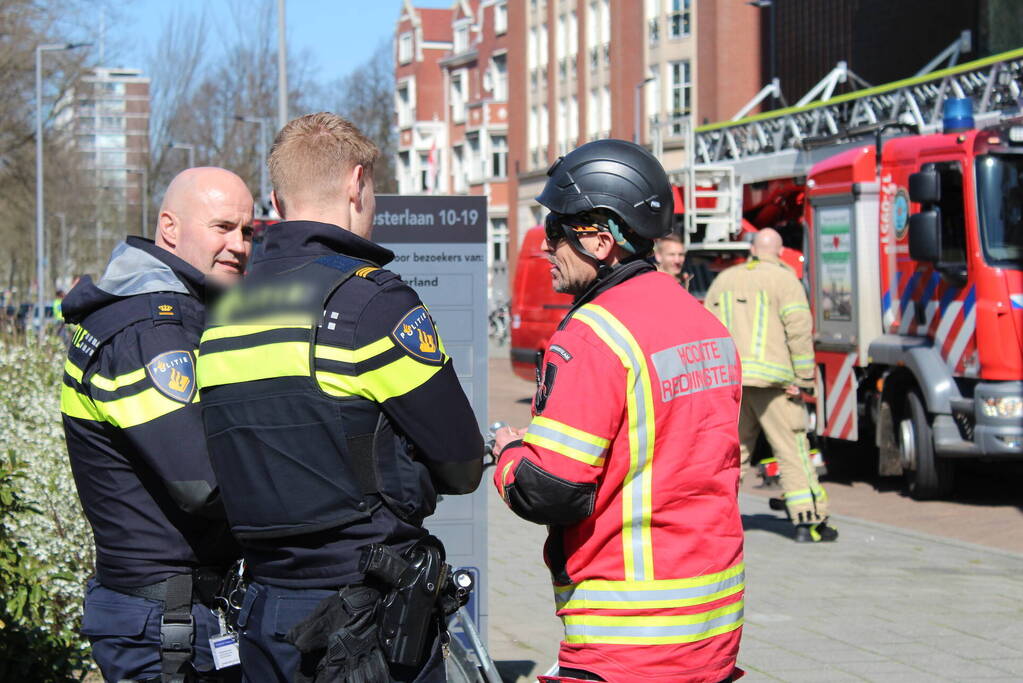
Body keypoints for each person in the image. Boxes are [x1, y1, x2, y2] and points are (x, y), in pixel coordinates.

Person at [194, 112, 484, 683]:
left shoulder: (222, 316)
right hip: (364, 624)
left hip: (263, 613)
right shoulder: (373, 305)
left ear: (276, 200)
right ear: (356, 183)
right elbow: (462, 464)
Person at [492, 139, 745, 683]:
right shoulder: (706, 325)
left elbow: (551, 490)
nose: (546, 245)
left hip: (630, 634)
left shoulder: (594, 335)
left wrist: (510, 454)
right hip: (713, 624)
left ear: (601, 241)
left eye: (557, 229)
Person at [60, 167, 255, 682]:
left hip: (173, 613)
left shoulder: (173, 315)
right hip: (165, 624)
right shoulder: (151, 331)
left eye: (247, 231)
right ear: (170, 227)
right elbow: (203, 483)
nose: (239, 245)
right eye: (222, 227)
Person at [704, 227, 837, 543]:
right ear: (779, 251)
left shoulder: (724, 280)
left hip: (733, 384)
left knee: (732, 456)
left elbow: (707, 329)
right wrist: (804, 380)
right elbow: (799, 333)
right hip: (776, 385)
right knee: (792, 451)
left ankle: (715, 521)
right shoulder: (785, 281)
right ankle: (808, 522)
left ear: (752, 249)